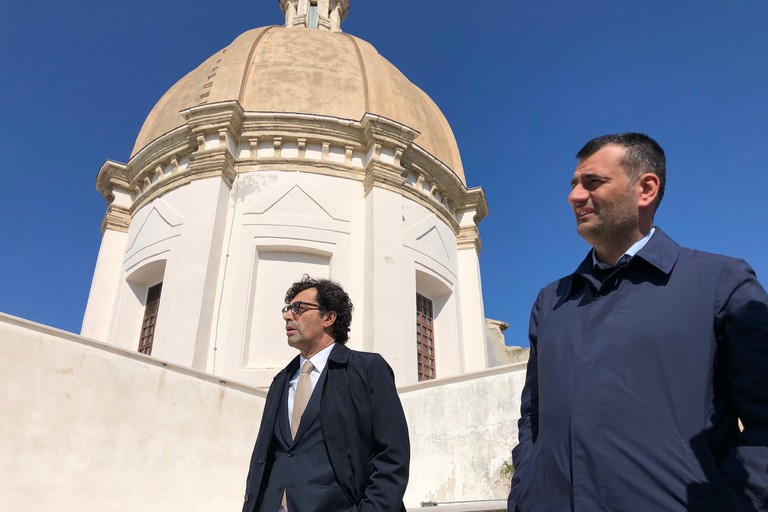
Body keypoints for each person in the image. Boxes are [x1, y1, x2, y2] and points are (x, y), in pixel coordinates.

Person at [509, 133, 768, 511]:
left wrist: (733, 503)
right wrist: (526, 494)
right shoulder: (551, 302)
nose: (575, 197)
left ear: (645, 189)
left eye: (592, 182)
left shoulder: (720, 282)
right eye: (573, 185)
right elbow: (533, 418)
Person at [242, 275, 410, 512]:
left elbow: (392, 456)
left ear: (329, 318)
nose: (288, 316)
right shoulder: (281, 381)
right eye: (287, 309)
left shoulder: (367, 369)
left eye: (298, 308)